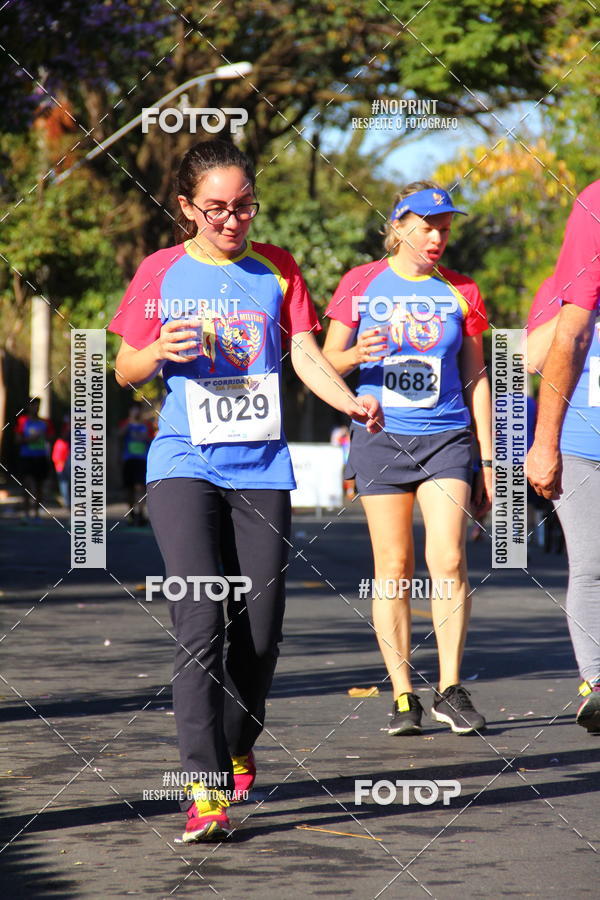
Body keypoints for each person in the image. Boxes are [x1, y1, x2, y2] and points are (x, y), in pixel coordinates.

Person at [108, 139, 382, 843]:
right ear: (186, 208)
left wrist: (347, 401)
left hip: (260, 467)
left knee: (259, 634)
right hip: (183, 462)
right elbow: (123, 367)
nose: (233, 221)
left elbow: (303, 354)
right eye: (218, 209)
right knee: (200, 619)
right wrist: (156, 352)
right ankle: (204, 790)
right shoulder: (160, 271)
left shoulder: (277, 268)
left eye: (244, 207)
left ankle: (237, 739)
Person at [323, 181, 492, 736]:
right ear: (398, 227)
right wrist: (355, 358)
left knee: (448, 561)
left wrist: (491, 463)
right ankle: (403, 695)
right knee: (393, 569)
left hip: (446, 440)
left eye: (444, 227)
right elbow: (325, 364)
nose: (437, 237)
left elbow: (477, 377)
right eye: (426, 227)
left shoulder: (461, 290)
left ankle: (450, 687)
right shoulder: (360, 283)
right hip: (380, 438)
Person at [527, 261, 600, 733]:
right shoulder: (561, 285)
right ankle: (597, 682)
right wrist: (579, 305)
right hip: (579, 448)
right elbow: (527, 358)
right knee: (592, 565)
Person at [15, 397, 54, 520]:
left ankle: (37, 513)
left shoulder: (45, 422)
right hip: (26, 457)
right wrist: (30, 439)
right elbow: (17, 439)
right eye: (33, 405)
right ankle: (26, 513)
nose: (35, 408)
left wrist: (46, 438)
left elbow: (51, 437)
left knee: (39, 486)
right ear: (28, 407)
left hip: (40, 456)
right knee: (26, 485)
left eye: (37, 405)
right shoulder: (22, 421)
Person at [118, 401, 152, 525]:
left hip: (142, 459)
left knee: (140, 487)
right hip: (128, 459)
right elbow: (119, 435)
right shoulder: (126, 424)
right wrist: (130, 422)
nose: (136, 412)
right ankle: (131, 511)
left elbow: (151, 438)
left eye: (138, 409)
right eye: (133, 409)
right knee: (129, 488)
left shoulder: (146, 425)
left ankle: (140, 512)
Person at [52, 415, 71, 508]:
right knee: (64, 483)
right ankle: (67, 502)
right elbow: (56, 457)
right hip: (61, 464)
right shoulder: (60, 442)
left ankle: (69, 502)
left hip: (68, 461)